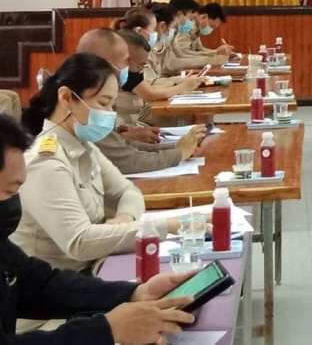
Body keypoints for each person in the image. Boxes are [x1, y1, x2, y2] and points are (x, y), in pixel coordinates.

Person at [0, 113, 198, 345]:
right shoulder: (47, 161)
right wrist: (107, 330)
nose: (15, 201)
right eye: (9, 191)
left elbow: (37, 284)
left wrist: (133, 293)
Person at [15, 54, 180, 274]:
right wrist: (168, 226)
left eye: (112, 105)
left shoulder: (84, 145)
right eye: (103, 103)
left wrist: (125, 218)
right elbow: (79, 242)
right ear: (66, 98)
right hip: (57, 283)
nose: (110, 114)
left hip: (96, 267)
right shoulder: (45, 162)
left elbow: (128, 191)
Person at [76, 30, 204, 174]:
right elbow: (127, 160)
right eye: (126, 61)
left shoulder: (97, 89)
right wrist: (179, 153)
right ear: (103, 62)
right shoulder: (83, 99)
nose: (128, 67)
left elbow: (121, 146)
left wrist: (176, 147)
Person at [162, 0, 226, 74]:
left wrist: (214, 55)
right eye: (191, 19)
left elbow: (179, 55)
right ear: (179, 14)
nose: (192, 23)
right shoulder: (176, 31)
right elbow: (174, 62)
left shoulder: (174, 32)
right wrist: (211, 59)